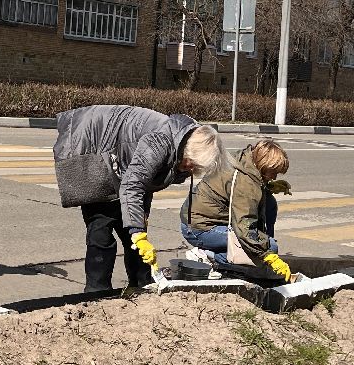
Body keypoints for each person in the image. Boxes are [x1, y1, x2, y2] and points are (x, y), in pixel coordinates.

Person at [53, 106, 226, 293]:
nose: (192, 170)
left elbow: (147, 181)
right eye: (192, 164)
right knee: (101, 228)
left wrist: (140, 221)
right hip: (93, 147)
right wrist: (138, 232)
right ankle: (97, 291)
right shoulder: (160, 142)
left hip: (119, 163)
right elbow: (132, 185)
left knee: (133, 233)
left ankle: (141, 286)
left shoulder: (181, 147)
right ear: (190, 150)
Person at [181, 138, 296, 283]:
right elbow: (244, 227)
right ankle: (208, 256)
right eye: (273, 172)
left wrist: (266, 187)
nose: (274, 177)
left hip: (207, 217)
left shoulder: (246, 160)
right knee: (269, 247)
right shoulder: (245, 184)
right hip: (199, 229)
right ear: (263, 164)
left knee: (270, 203)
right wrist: (266, 253)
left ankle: (261, 249)